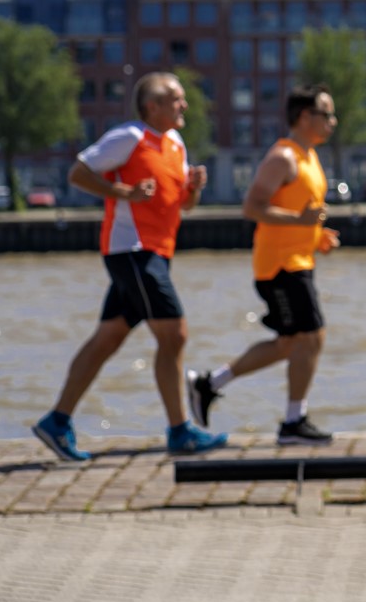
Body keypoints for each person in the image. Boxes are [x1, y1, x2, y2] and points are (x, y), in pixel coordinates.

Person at [31, 71, 228, 460]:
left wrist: (194, 189)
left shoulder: (175, 142)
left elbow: (183, 207)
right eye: (176, 98)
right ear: (151, 106)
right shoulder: (130, 137)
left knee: (108, 338)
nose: (184, 105)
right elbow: (79, 172)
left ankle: (56, 421)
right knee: (175, 335)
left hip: (158, 253)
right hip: (133, 252)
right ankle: (180, 431)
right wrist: (123, 191)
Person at [186, 84, 340, 446]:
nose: (333, 121)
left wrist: (317, 236)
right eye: (327, 113)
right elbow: (252, 208)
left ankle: (209, 384)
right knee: (311, 337)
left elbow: (302, 214)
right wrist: (302, 223)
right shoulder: (282, 158)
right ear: (305, 117)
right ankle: (293, 422)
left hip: (299, 261)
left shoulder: (310, 157)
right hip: (280, 267)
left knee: (290, 343)